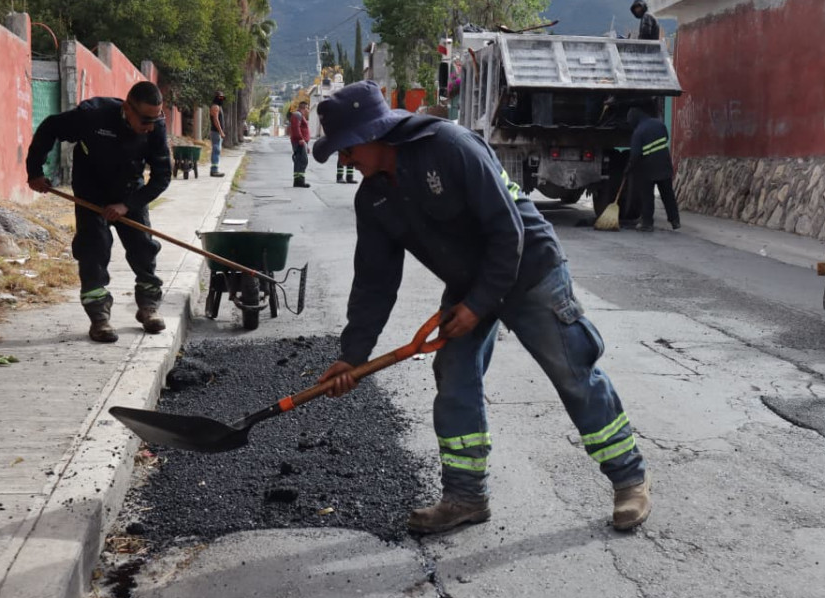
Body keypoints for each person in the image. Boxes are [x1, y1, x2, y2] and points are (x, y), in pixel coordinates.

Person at [312, 80, 652, 535]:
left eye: (348, 148)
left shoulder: (450, 147)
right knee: (454, 374)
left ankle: (630, 480)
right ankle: (465, 497)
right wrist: (352, 356)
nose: (345, 160)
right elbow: (374, 282)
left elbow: (507, 231)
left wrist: (477, 305)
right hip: (469, 283)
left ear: (374, 133)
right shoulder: (374, 198)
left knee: (573, 373)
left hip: (529, 270)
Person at [25, 80, 171, 343]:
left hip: (129, 192)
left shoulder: (156, 129)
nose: (150, 127)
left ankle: (148, 306)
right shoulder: (92, 116)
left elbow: (162, 177)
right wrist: (35, 171)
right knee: (93, 250)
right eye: (145, 120)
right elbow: (50, 127)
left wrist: (127, 205)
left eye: (156, 119)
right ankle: (99, 317)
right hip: (90, 193)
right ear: (127, 108)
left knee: (143, 249)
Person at [625, 107, 681, 232]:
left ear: (634, 120)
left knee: (647, 196)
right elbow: (666, 138)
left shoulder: (638, 132)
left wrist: (629, 168)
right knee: (668, 194)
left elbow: (635, 154)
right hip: (664, 164)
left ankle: (647, 223)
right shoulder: (659, 124)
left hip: (648, 168)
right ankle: (675, 220)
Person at [288, 101, 311, 188]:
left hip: (301, 142)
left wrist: (306, 145)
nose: (308, 110)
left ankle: (298, 181)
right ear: (304, 108)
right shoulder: (297, 115)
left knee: (299, 161)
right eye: (307, 108)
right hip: (299, 141)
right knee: (302, 161)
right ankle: (300, 181)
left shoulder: (300, 115)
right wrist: (301, 139)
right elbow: (296, 128)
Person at [209, 91, 226, 178]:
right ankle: (214, 171)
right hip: (216, 132)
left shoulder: (218, 107)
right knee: (216, 150)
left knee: (217, 150)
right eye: (220, 97)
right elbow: (216, 120)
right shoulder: (215, 107)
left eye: (222, 97)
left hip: (217, 133)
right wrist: (221, 131)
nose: (221, 99)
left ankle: (215, 169)